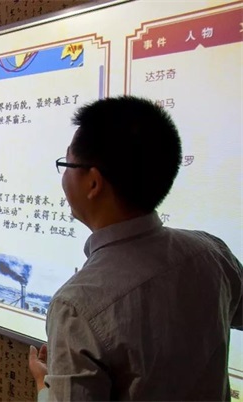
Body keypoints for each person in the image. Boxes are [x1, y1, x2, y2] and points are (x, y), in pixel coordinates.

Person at [28, 96, 242, 401]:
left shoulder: (76, 306)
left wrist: (44, 385)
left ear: (93, 183)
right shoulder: (211, 252)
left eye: (67, 164)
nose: (64, 177)